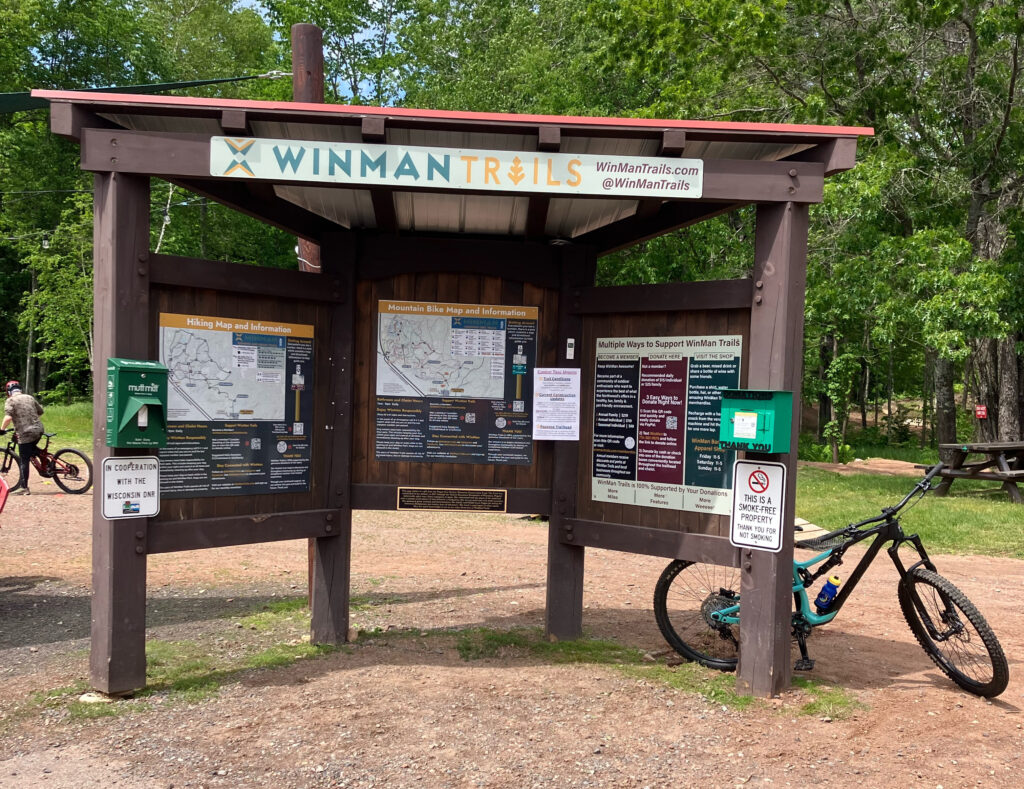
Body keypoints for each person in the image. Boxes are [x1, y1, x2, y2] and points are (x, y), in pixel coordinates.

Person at [2, 380, 45, 495]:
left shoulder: (10, 400)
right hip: (39, 429)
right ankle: (46, 463)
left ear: (8, 391)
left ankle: (24, 487)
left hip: (26, 433)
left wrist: (1, 430)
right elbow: (40, 411)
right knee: (30, 449)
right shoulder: (29, 397)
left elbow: (8, 418)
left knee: (24, 459)